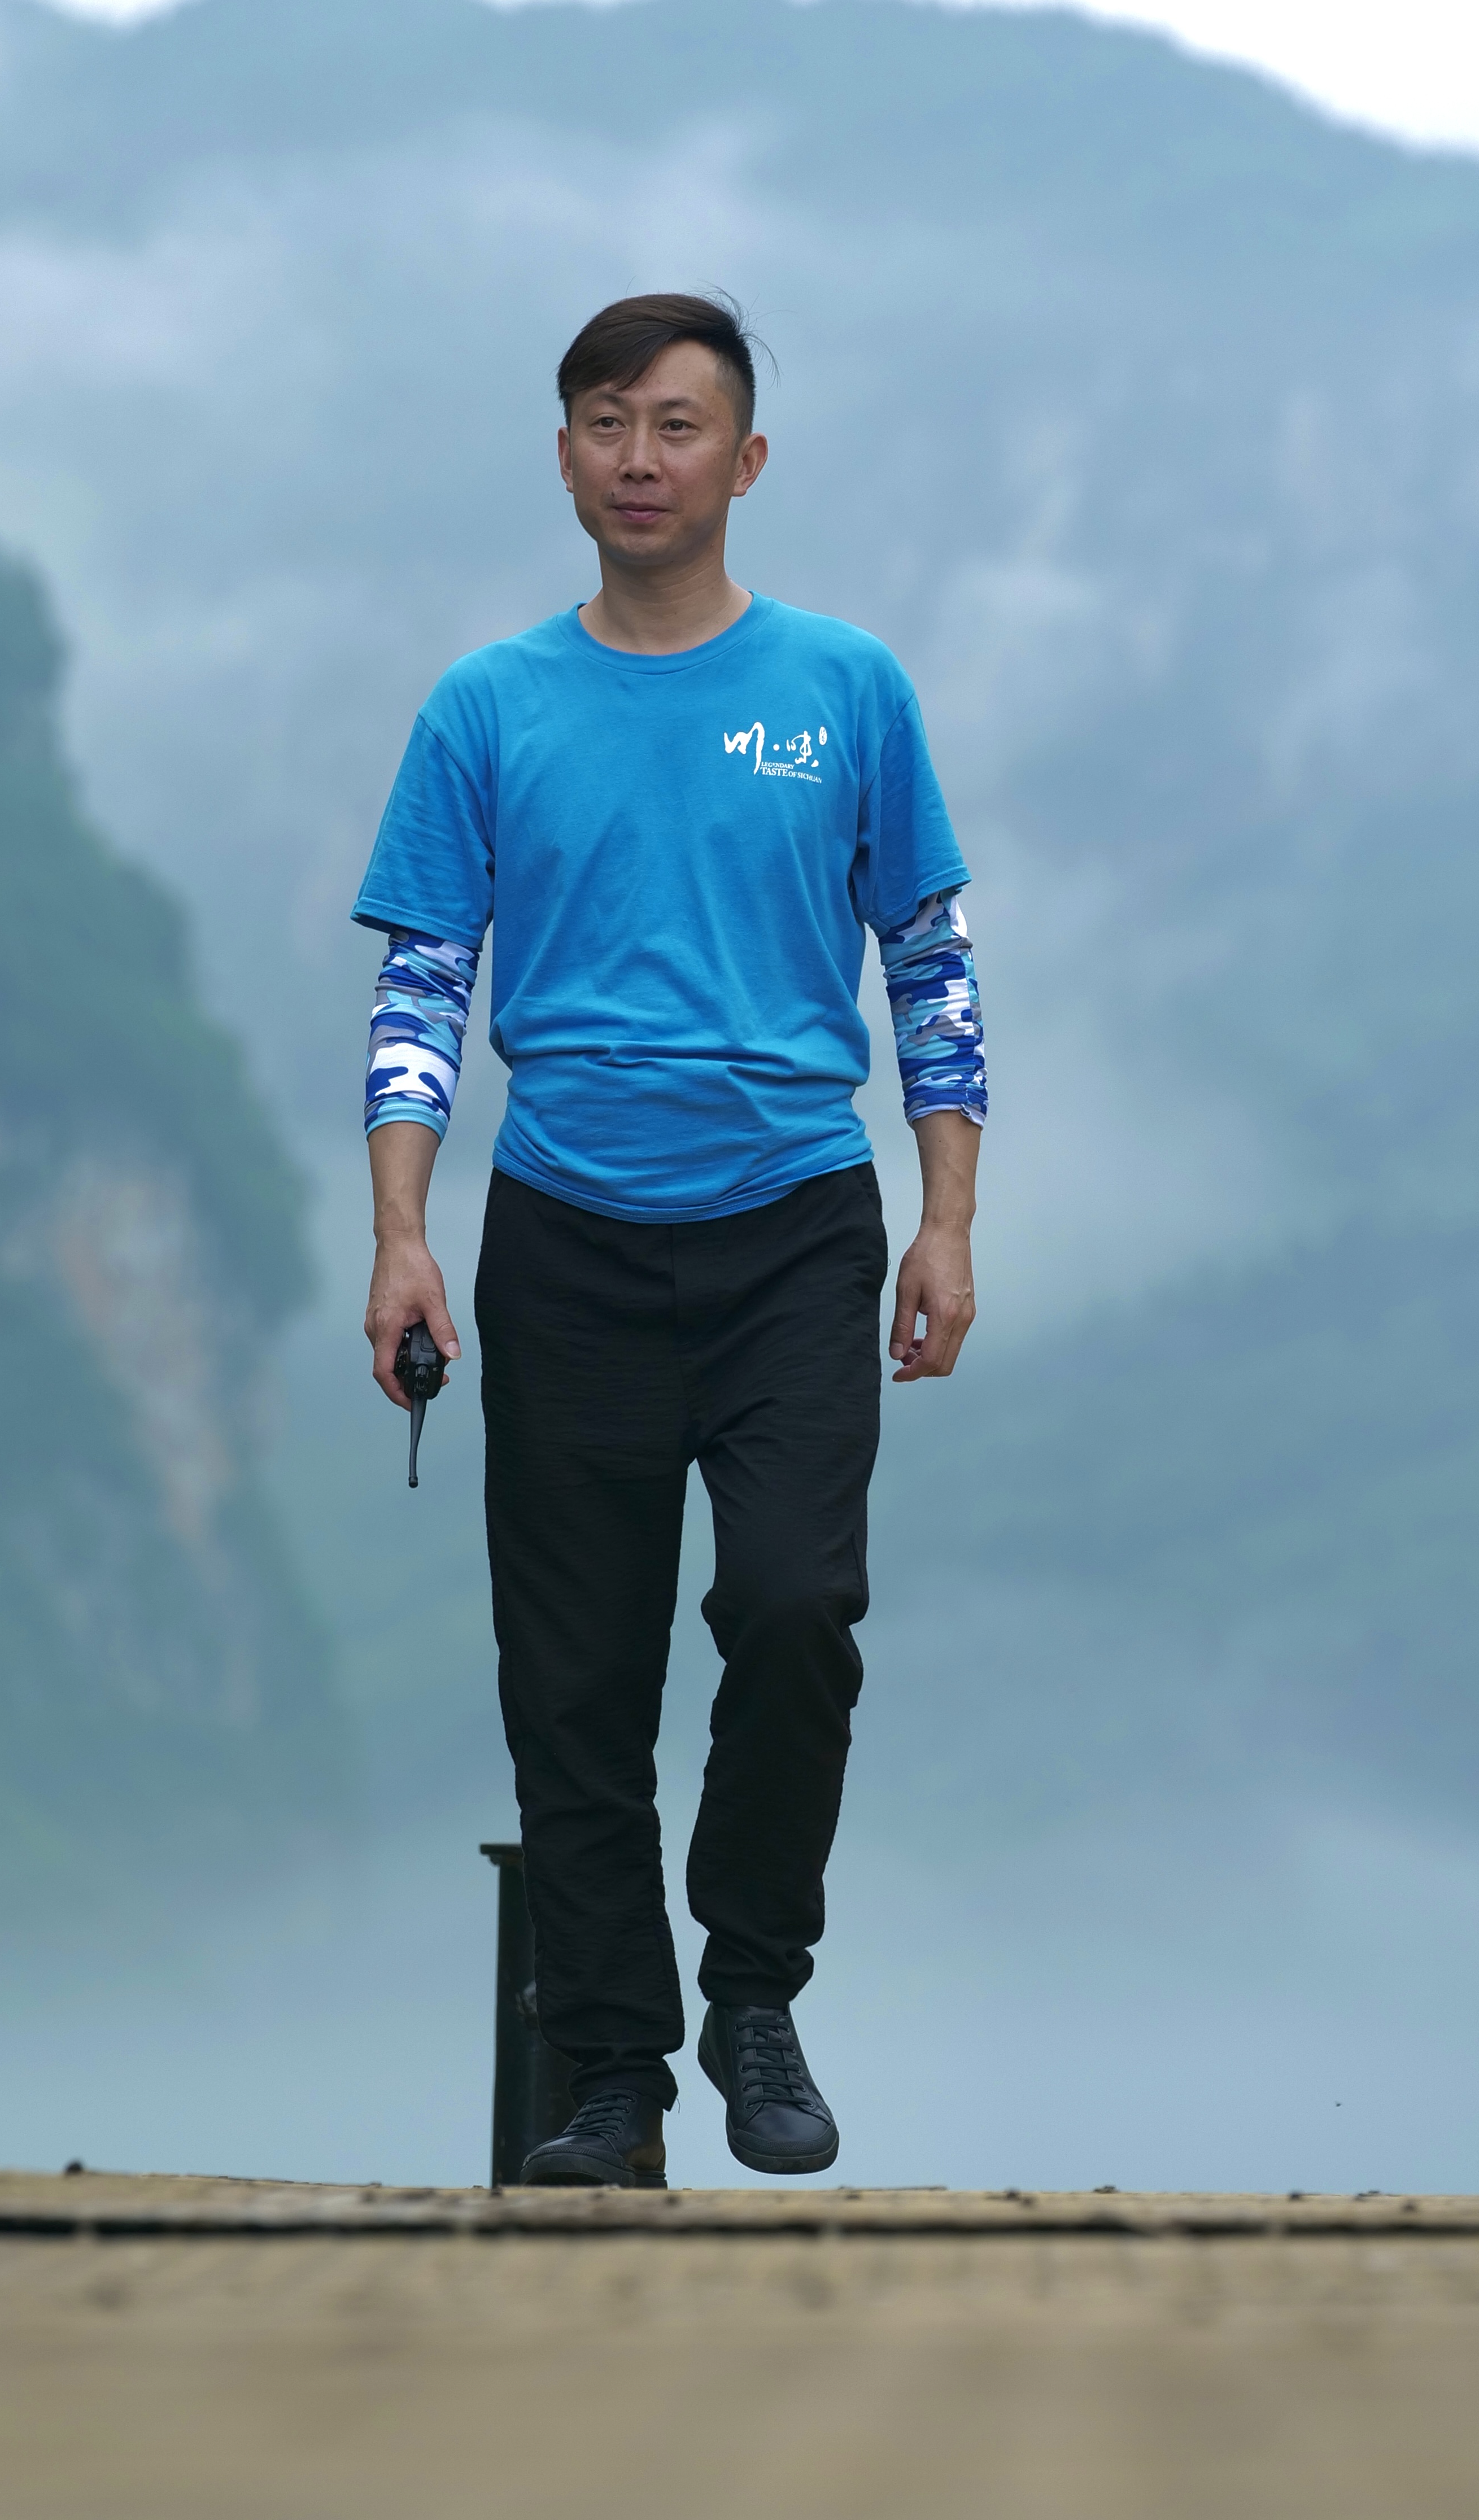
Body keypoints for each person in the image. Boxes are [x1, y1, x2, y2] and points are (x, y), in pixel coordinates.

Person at [354, 294, 985, 2187]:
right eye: (607, 422)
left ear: (746, 459)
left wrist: (948, 1219)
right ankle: (611, 2070)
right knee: (575, 1678)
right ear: (564, 453)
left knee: (793, 1608)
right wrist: (402, 1233)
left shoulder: (847, 688)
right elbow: (423, 987)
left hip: (797, 1224)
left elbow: (931, 968)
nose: (641, 458)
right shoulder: (487, 707)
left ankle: (756, 1992)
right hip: (567, 1232)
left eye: (679, 424)